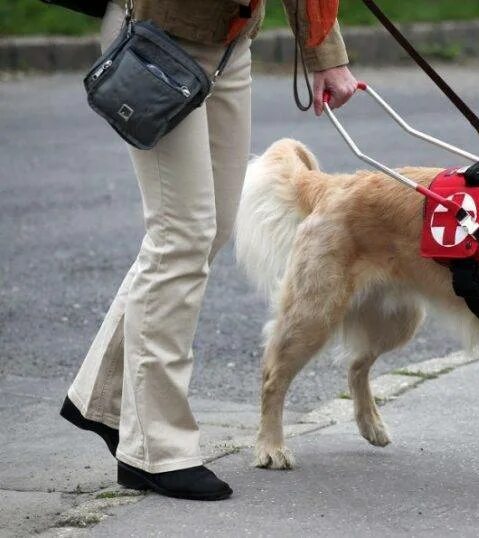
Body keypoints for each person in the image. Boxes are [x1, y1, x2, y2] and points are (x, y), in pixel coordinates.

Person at [59, 0, 357, 501]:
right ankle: (156, 450)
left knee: (212, 226)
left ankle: (105, 399)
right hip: (157, 34)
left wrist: (325, 53)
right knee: (181, 234)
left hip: (229, 43)